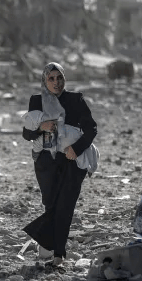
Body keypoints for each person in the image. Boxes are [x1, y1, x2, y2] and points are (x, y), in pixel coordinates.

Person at [22, 63, 98, 267]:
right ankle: (47, 244)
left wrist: (77, 149)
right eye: (51, 78)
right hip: (46, 161)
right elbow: (27, 134)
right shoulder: (36, 101)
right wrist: (41, 127)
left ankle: (59, 253)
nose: (56, 82)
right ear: (44, 81)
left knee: (66, 204)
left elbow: (91, 129)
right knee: (51, 204)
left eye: (60, 78)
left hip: (71, 160)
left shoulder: (75, 99)